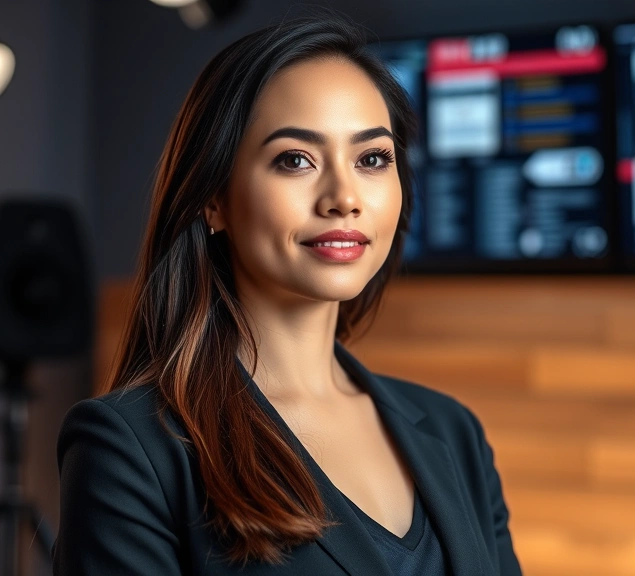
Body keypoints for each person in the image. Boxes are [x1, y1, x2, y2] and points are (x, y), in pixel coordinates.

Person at [51, 15, 521, 576]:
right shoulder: (131, 450)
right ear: (214, 199)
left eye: (372, 158)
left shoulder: (453, 432)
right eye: (295, 160)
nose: (344, 198)